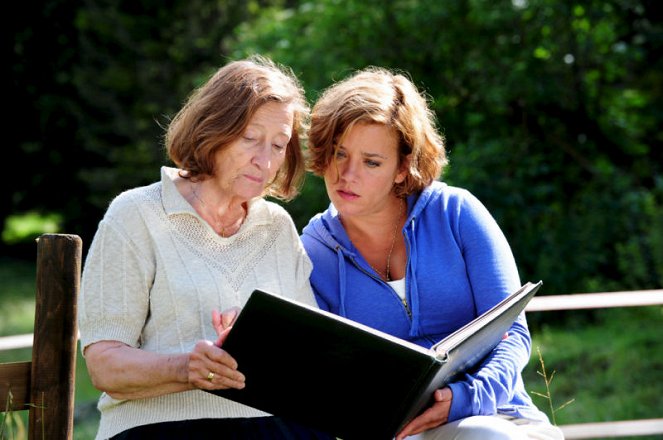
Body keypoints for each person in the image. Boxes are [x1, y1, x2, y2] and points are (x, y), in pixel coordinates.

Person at [301, 67, 565, 440]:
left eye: (371, 162)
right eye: (339, 154)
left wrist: (463, 399)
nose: (346, 174)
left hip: (500, 415)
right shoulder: (311, 250)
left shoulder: (456, 214)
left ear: (402, 167)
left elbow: (513, 335)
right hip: (393, 431)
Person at [78, 55, 334, 439]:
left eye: (278, 145)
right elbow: (104, 367)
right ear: (213, 129)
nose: (265, 161)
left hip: (273, 425)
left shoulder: (277, 227)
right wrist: (188, 368)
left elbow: (305, 356)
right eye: (250, 138)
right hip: (161, 428)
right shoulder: (136, 214)